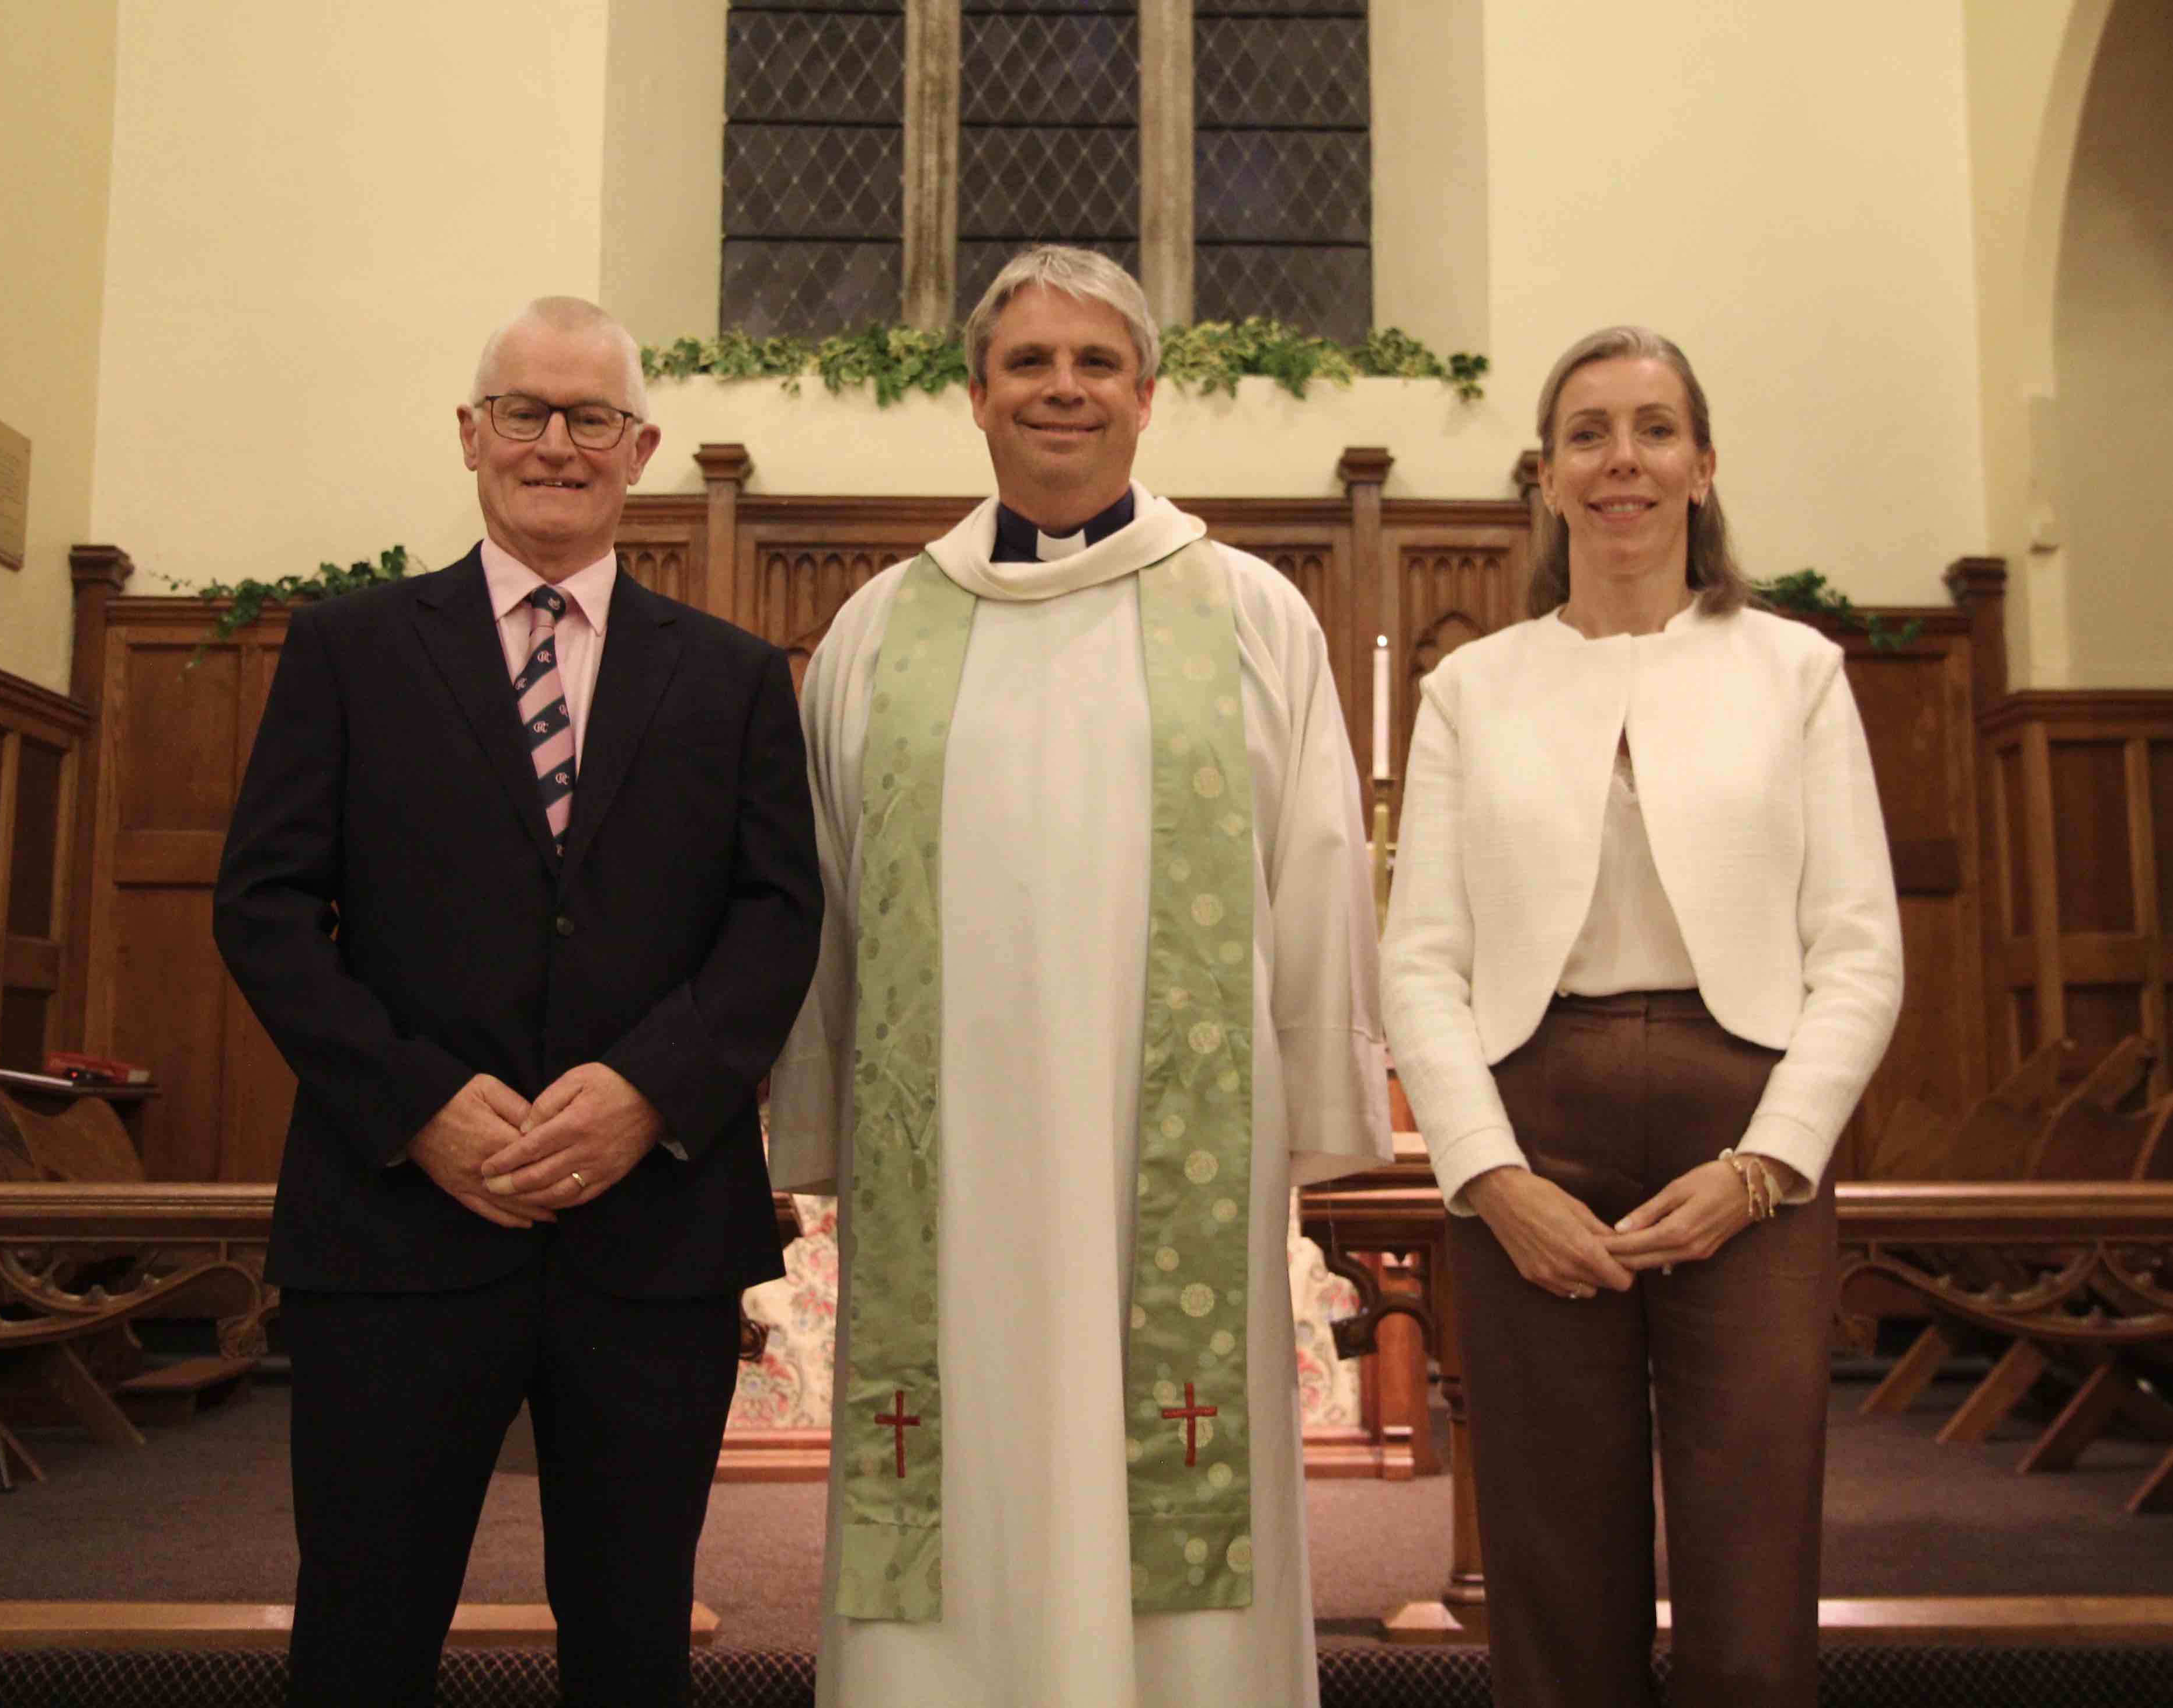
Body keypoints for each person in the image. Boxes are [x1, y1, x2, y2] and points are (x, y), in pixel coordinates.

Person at [767, 245, 1391, 1708]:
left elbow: (1315, 867)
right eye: (1030, 362)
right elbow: (826, 900)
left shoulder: (1246, 612)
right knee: (961, 1465)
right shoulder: (877, 628)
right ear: (975, 395)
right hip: (951, 1171)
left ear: (1148, 397)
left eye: (1096, 362)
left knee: (1168, 1486)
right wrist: (820, 1118)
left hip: (1167, 1157)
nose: (1063, 388)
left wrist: (1314, 1102)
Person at [213, 296, 821, 1706]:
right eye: (526, 413)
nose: (556, 443)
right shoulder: (351, 649)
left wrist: (652, 1091)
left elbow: (779, 914)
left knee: (630, 1642)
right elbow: (263, 906)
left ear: (640, 448)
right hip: (399, 1231)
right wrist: (414, 1102)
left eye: (589, 417)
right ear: (472, 435)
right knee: (363, 1634)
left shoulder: (728, 679)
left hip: (651, 1233)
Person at [1381, 325, 1903, 1708]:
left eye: (1653, 428)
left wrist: (1764, 1163)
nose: (1622, 460)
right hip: (1528, 1127)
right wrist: (1487, 1175)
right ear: (1545, 478)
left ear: (1702, 464)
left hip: (1744, 1129)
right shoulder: (1471, 688)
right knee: (1550, 1571)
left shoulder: (1790, 670)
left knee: (1748, 1557)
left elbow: (1856, 950)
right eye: (1588, 433)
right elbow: (1419, 959)